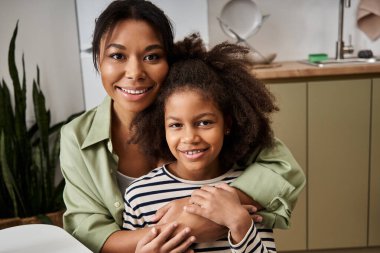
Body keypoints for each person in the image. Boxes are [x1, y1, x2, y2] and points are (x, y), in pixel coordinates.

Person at [59, 0, 305, 252]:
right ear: (99, 59)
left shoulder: (205, 108)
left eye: (152, 56)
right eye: (117, 55)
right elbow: (86, 231)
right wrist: (184, 230)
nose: (134, 72)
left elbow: (283, 169)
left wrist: (210, 210)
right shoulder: (76, 137)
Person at [124, 33, 278, 253]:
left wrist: (240, 223)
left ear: (227, 124)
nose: (190, 138)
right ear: (162, 128)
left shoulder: (248, 189)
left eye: (204, 122)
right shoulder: (139, 196)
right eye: (176, 125)